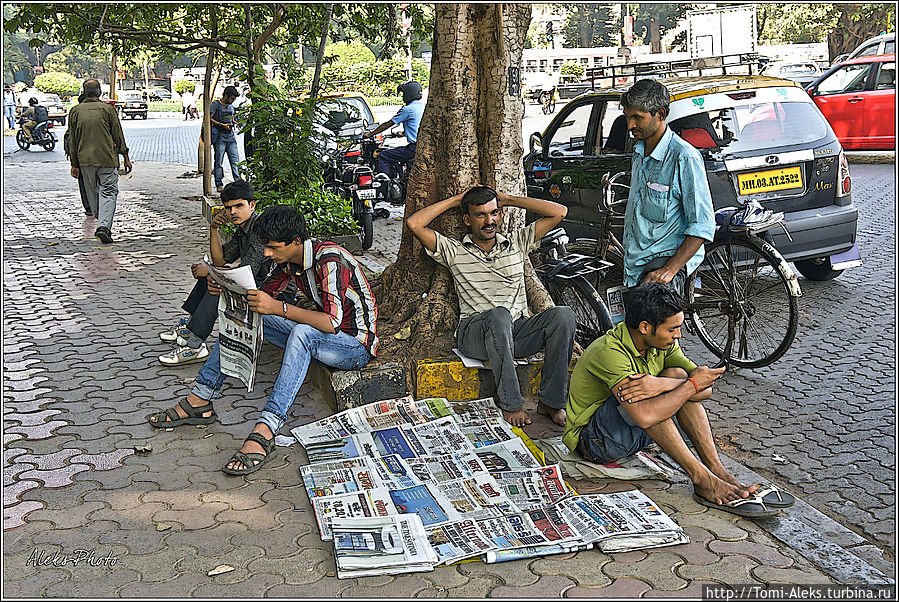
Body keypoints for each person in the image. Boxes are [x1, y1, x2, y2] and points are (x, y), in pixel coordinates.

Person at [148, 205, 379, 476]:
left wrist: (278, 308)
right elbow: (260, 297)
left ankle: (268, 428)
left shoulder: (329, 259)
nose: (267, 253)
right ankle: (200, 399)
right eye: (265, 247)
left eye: (272, 247)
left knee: (302, 333)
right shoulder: (288, 262)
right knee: (246, 317)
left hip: (354, 346)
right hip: (324, 339)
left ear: (295, 241)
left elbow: (331, 322)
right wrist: (223, 287)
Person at [564, 283, 774, 516]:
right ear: (645, 327)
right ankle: (702, 478)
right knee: (661, 397)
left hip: (635, 433)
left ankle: (717, 470)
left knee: (676, 375)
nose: (678, 335)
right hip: (596, 441)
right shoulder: (609, 352)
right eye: (672, 329)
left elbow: (705, 390)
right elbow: (645, 416)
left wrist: (662, 384)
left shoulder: (663, 343)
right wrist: (686, 385)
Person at [406, 185, 576, 428]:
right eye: (480, 215)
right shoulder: (455, 250)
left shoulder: (517, 242)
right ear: (467, 219)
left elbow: (559, 212)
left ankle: (551, 401)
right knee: (499, 316)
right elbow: (414, 224)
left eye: (494, 213)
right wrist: (456, 200)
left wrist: (508, 199)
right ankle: (511, 403)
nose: (489, 221)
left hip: (516, 333)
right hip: (476, 334)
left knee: (563, 316)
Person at [158, 180, 268, 366]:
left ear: (252, 205)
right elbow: (220, 261)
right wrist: (213, 228)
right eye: (228, 208)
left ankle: (195, 346)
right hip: (256, 283)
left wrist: (211, 272)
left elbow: (247, 273)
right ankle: (190, 329)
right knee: (209, 277)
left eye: (239, 206)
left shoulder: (259, 230)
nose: (233, 212)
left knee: (217, 285)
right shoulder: (243, 229)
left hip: (271, 290)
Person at [620, 79, 715, 292]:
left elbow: (703, 225)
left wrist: (669, 270)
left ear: (661, 114)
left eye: (638, 117)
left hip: (663, 266)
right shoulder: (638, 152)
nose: (630, 125)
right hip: (636, 266)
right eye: (627, 117)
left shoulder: (684, 156)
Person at [67, 79, 132, 244]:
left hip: (85, 160)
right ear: (99, 92)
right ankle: (103, 226)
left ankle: (100, 219)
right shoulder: (108, 110)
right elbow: (118, 134)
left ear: (84, 92)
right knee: (108, 192)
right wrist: (125, 156)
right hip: (107, 159)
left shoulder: (75, 111)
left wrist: (74, 163)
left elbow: (72, 140)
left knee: (92, 193)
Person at [362, 81, 424, 177]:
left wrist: (370, 134)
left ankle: (384, 182)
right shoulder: (423, 106)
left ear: (408, 93)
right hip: (423, 147)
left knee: (383, 156)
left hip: (414, 148)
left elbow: (387, 124)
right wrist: (403, 133)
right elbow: (417, 125)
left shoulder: (407, 109)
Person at [209, 85, 241, 193]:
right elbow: (209, 118)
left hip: (231, 138)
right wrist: (221, 125)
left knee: (235, 162)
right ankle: (219, 183)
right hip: (220, 138)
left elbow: (232, 117)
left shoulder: (231, 107)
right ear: (226, 96)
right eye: (231, 98)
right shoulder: (215, 104)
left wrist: (234, 122)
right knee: (219, 162)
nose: (232, 101)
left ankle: (238, 183)